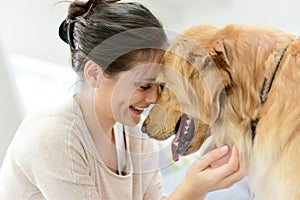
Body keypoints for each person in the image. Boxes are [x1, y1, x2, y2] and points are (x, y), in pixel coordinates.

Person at [0, 0, 245, 199]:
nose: (154, 98)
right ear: (95, 74)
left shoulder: (134, 134)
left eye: (160, 85)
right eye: (144, 85)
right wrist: (191, 186)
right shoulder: (53, 136)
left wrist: (201, 182)